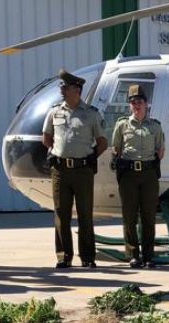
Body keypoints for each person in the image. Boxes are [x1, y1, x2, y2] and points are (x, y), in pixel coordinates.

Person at [42, 69, 107, 268]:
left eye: (66, 87)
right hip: (60, 171)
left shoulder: (91, 114)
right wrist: (56, 151)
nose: (62, 90)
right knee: (61, 214)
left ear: (77, 90)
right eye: (61, 87)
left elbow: (102, 142)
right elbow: (46, 138)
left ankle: (87, 257)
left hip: (82, 171)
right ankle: (63, 257)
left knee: (85, 214)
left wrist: (89, 158)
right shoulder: (54, 112)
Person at [111, 84, 165, 268]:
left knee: (148, 216)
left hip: (149, 173)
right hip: (129, 174)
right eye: (133, 102)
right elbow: (116, 149)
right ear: (129, 105)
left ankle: (149, 256)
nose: (136, 105)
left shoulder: (155, 126)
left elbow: (160, 150)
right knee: (129, 215)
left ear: (146, 104)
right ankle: (133, 254)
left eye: (139, 102)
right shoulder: (122, 125)